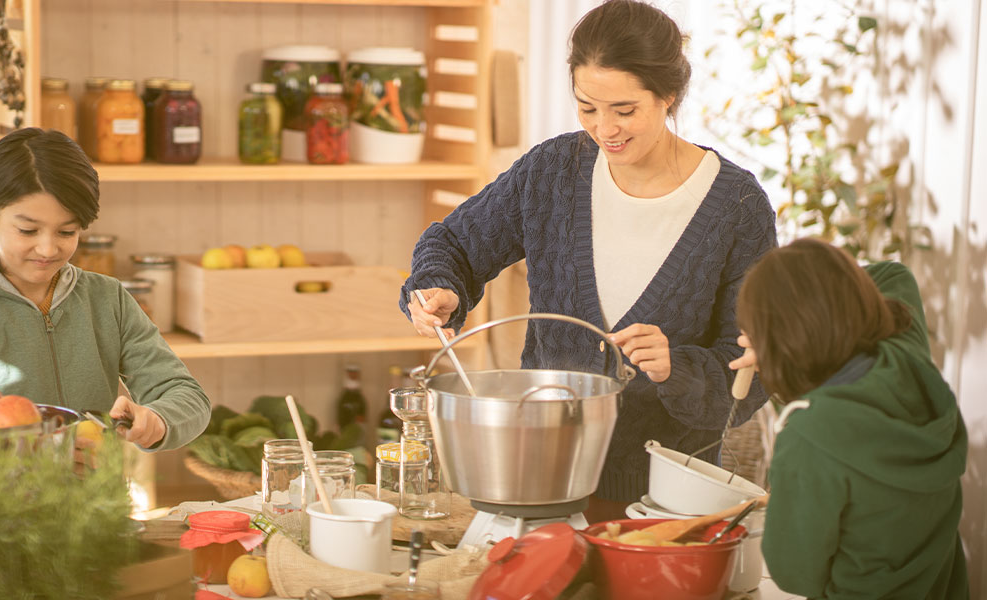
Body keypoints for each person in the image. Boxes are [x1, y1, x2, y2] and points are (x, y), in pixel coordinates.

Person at [401, 0, 777, 522]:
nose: (605, 130)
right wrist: (439, 287)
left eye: (625, 111)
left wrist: (677, 366)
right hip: (537, 482)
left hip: (666, 505)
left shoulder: (736, 206)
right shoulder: (554, 170)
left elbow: (752, 373)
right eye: (587, 107)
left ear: (669, 95)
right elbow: (454, 244)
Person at [0, 127, 210, 451]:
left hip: (97, 501)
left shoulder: (107, 299)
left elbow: (188, 397)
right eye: (28, 230)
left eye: (66, 231)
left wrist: (157, 419)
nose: (47, 249)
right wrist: (46, 456)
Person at [730, 238, 968, 599]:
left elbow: (792, 573)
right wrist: (821, 292)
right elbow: (894, 274)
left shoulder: (809, 436)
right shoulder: (907, 353)